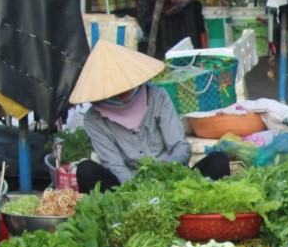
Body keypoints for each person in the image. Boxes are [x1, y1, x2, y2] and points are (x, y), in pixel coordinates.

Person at [68, 40, 230, 192]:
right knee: (86, 171)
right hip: (128, 186)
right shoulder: (94, 119)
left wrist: (164, 172)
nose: (122, 91)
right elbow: (115, 166)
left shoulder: (157, 96)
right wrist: (141, 189)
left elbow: (180, 147)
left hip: (174, 179)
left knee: (218, 161)